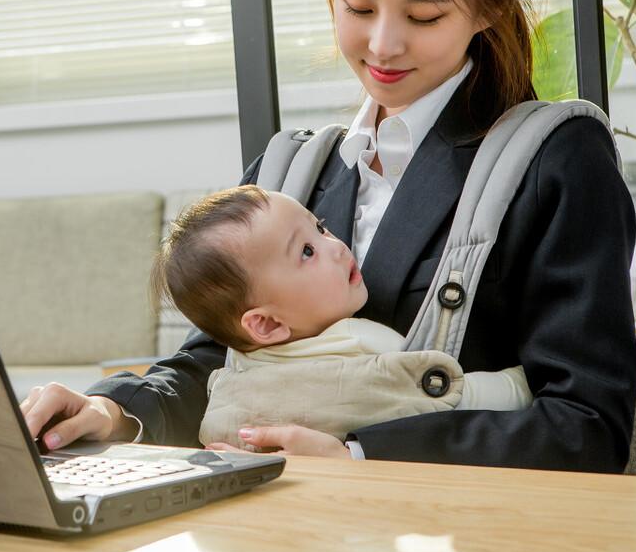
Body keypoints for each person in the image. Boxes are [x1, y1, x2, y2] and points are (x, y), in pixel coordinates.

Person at [20, 0, 636, 471]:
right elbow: (219, 366)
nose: (383, 45)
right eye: (358, 8)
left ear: (490, 6)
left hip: (458, 526)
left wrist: (360, 457)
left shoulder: (553, 161)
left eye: (424, 15)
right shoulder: (291, 170)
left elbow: (586, 429)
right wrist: (114, 412)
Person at [151, 184, 531, 447]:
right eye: (306, 252)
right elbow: (449, 395)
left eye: (320, 228)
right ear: (266, 324)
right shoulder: (359, 340)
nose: (335, 247)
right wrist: (526, 383)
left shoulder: (232, 378)